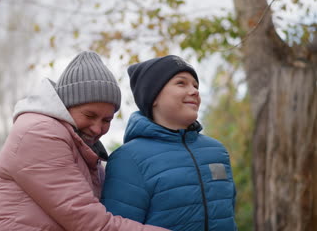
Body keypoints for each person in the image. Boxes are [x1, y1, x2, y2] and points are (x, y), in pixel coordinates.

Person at [0, 51, 169, 231]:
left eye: (106, 120)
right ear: (66, 106)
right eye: (89, 115)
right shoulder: (41, 133)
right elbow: (90, 222)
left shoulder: (81, 147)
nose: (97, 128)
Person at [101, 55, 237, 231]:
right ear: (154, 97)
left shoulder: (217, 151)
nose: (194, 91)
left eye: (195, 85)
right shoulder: (128, 159)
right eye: (181, 83)